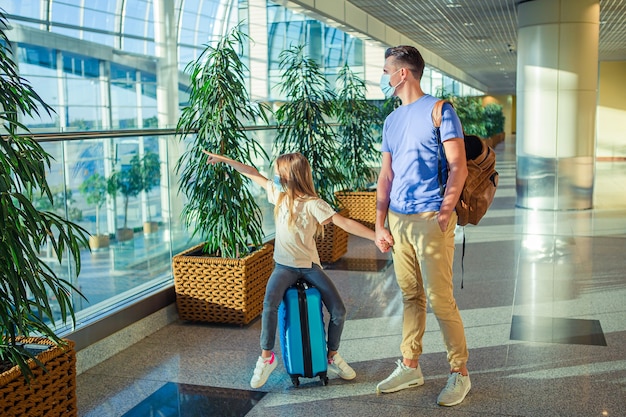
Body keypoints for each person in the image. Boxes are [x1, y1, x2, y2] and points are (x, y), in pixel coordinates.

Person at [203, 150, 390, 389]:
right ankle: (266, 358)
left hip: (310, 267)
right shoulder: (277, 195)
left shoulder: (314, 205)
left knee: (339, 310)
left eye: (279, 172)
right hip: (284, 267)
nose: (275, 176)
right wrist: (226, 160)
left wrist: (376, 237)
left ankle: (332, 355)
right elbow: (252, 173)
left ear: (291, 175)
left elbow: (344, 223)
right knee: (269, 304)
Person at [374, 45, 471, 407]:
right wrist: (380, 224)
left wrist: (445, 211)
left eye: (387, 71)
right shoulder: (391, 120)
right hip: (398, 221)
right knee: (411, 295)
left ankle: (459, 372)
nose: (385, 77)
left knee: (441, 299)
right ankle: (411, 365)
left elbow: (458, 165)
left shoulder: (440, 110)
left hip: (432, 218)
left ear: (403, 73)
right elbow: (386, 175)